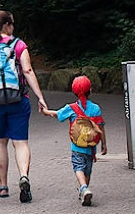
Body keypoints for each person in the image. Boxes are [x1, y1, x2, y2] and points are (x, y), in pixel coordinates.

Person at [0, 9, 48, 202]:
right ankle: (23, 176)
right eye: (12, 24)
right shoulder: (18, 45)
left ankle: (3, 186)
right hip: (19, 99)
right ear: (7, 25)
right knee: (20, 142)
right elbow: (28, 70)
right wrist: (40, 96)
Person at [40, 75, 107, 206]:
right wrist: (104, 144)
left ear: (74, 92)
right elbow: (100, 128)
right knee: (87, 169)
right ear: (90, 90)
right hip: (91, 147)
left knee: (78, 167)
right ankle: (84, 189)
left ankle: (83, 188)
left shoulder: (71, 108)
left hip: (77, 146)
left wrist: (45, 111)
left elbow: (57, 114)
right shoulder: (96, 108)